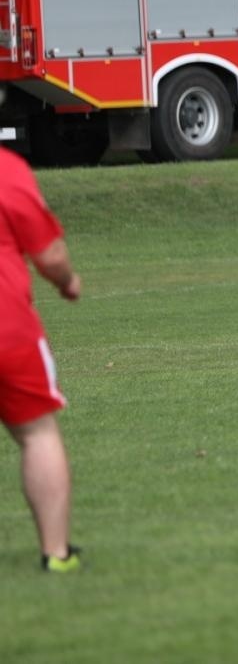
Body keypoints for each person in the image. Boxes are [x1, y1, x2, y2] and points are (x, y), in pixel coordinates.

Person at [1, 147, 84, 573]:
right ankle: (56, 554)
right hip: (7, 327)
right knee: (37, 435)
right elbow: (50, 255)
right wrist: (68, 282)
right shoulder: (6, 169)